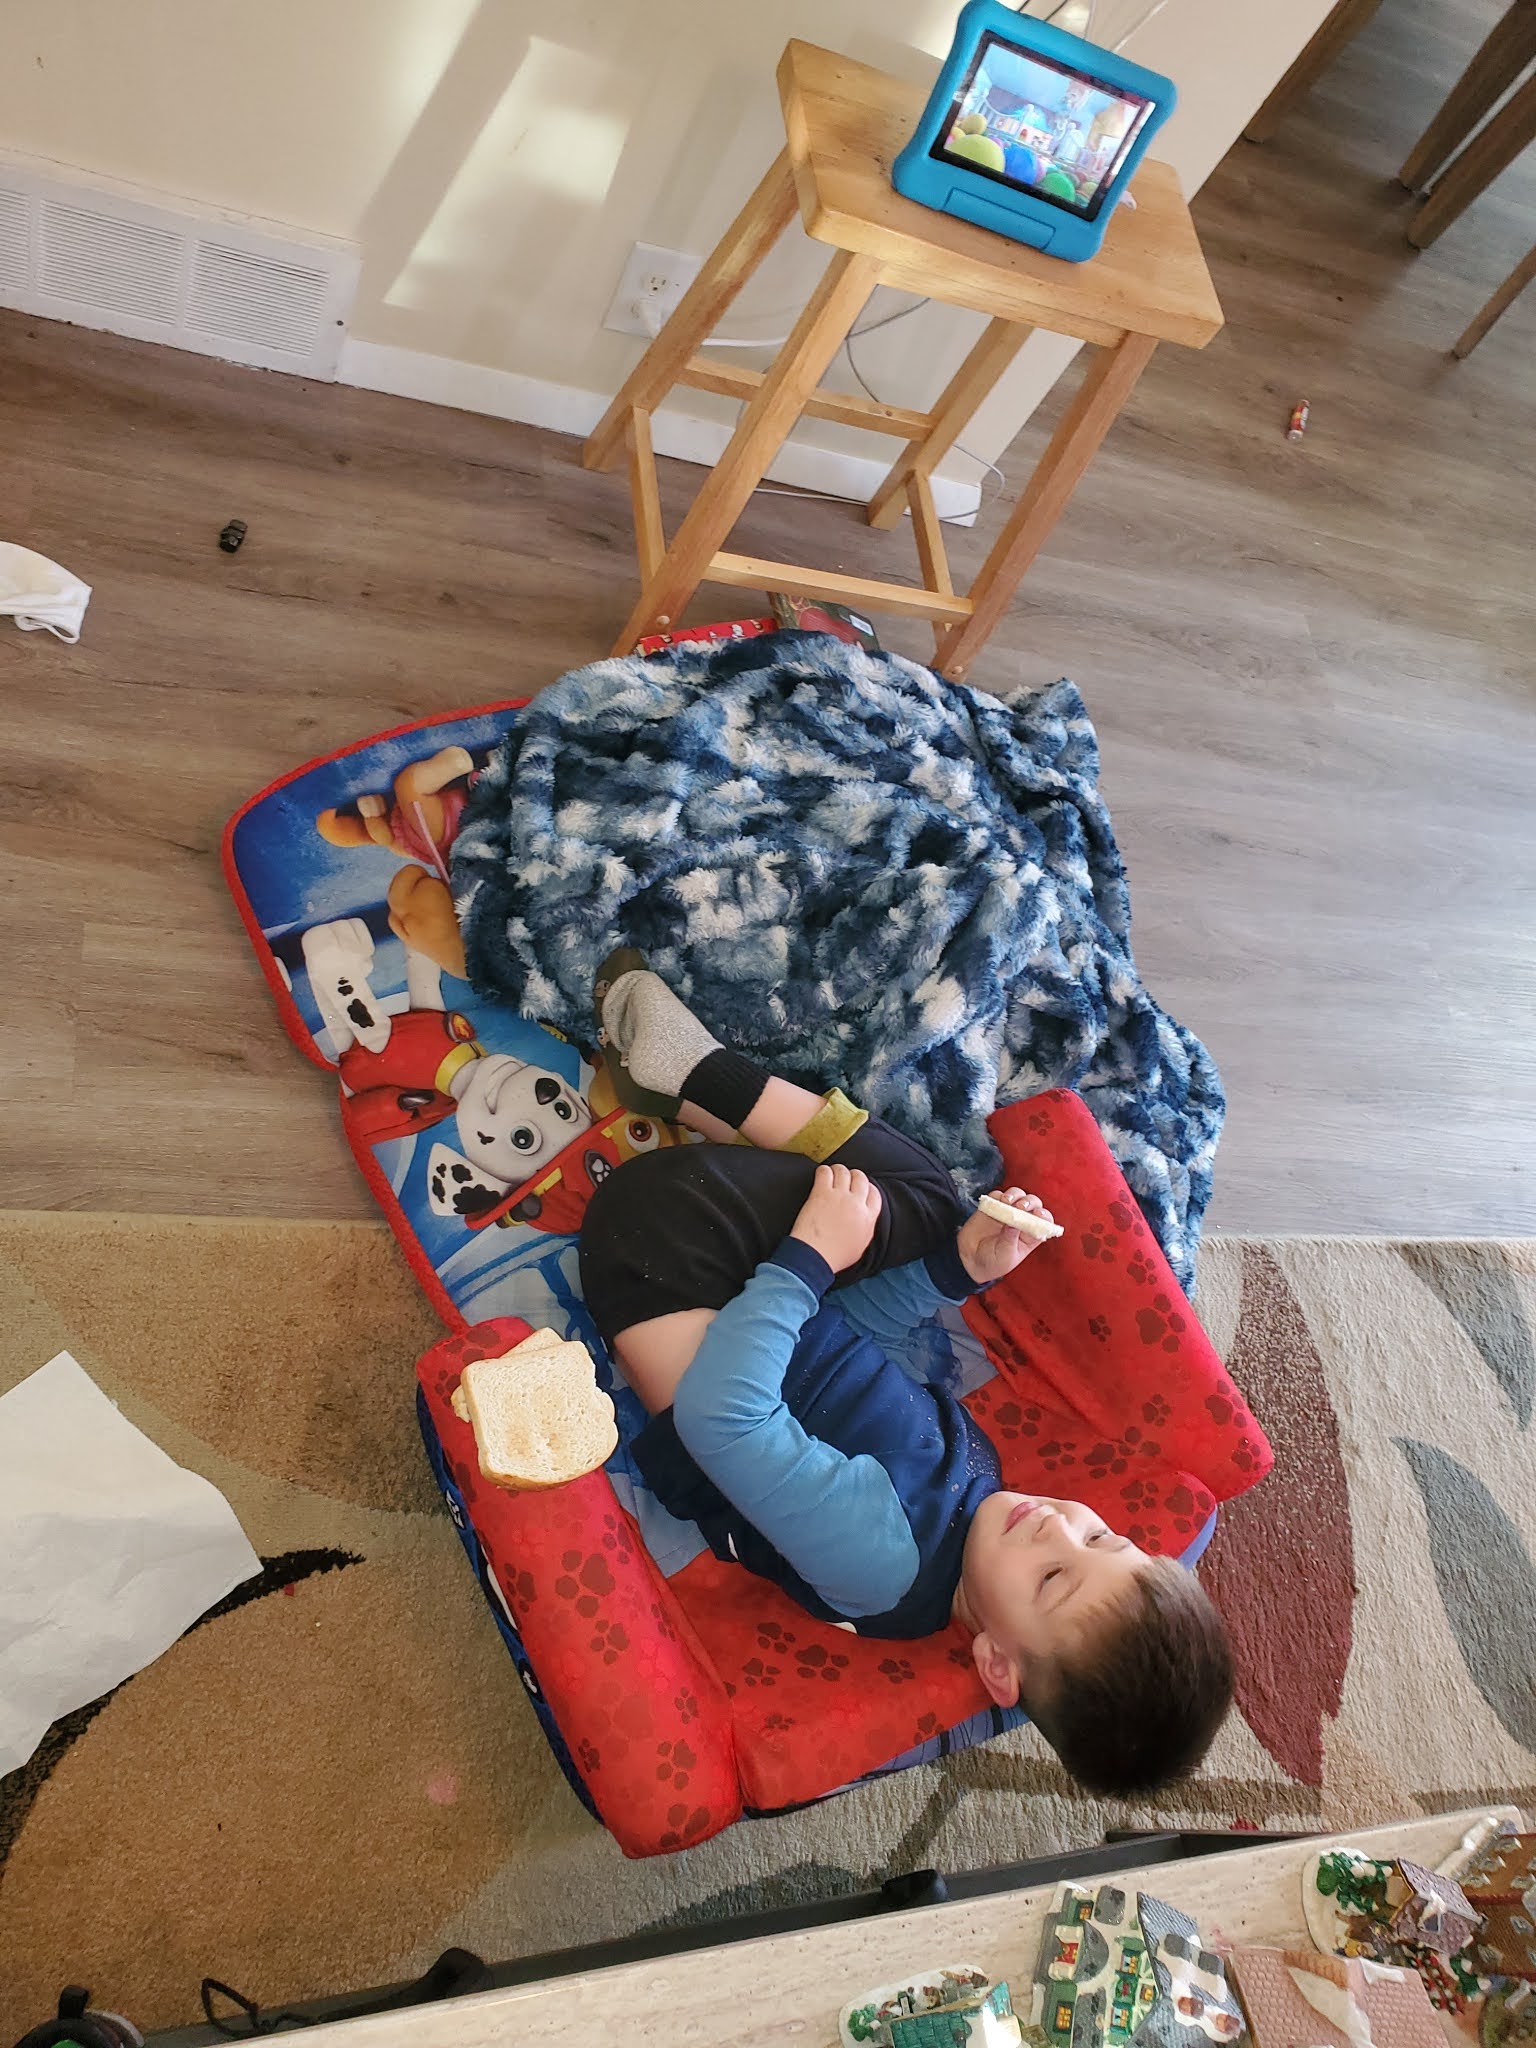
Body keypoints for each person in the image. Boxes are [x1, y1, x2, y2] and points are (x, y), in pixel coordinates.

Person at [578, 964, 1234, 1797]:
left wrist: (812, 1255)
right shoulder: (980, 1505)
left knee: (917, 1200)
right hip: (755, 1309)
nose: (1058, 1528)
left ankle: (703, 1079)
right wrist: (956, 1273)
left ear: (996, 1664)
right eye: (1101, 1539)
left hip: (662, 1256)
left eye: (1053, 1579)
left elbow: (724, 1417)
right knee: (934, 1219)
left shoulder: (883, 1562)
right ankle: (697, 1085)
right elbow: (853, 1353)